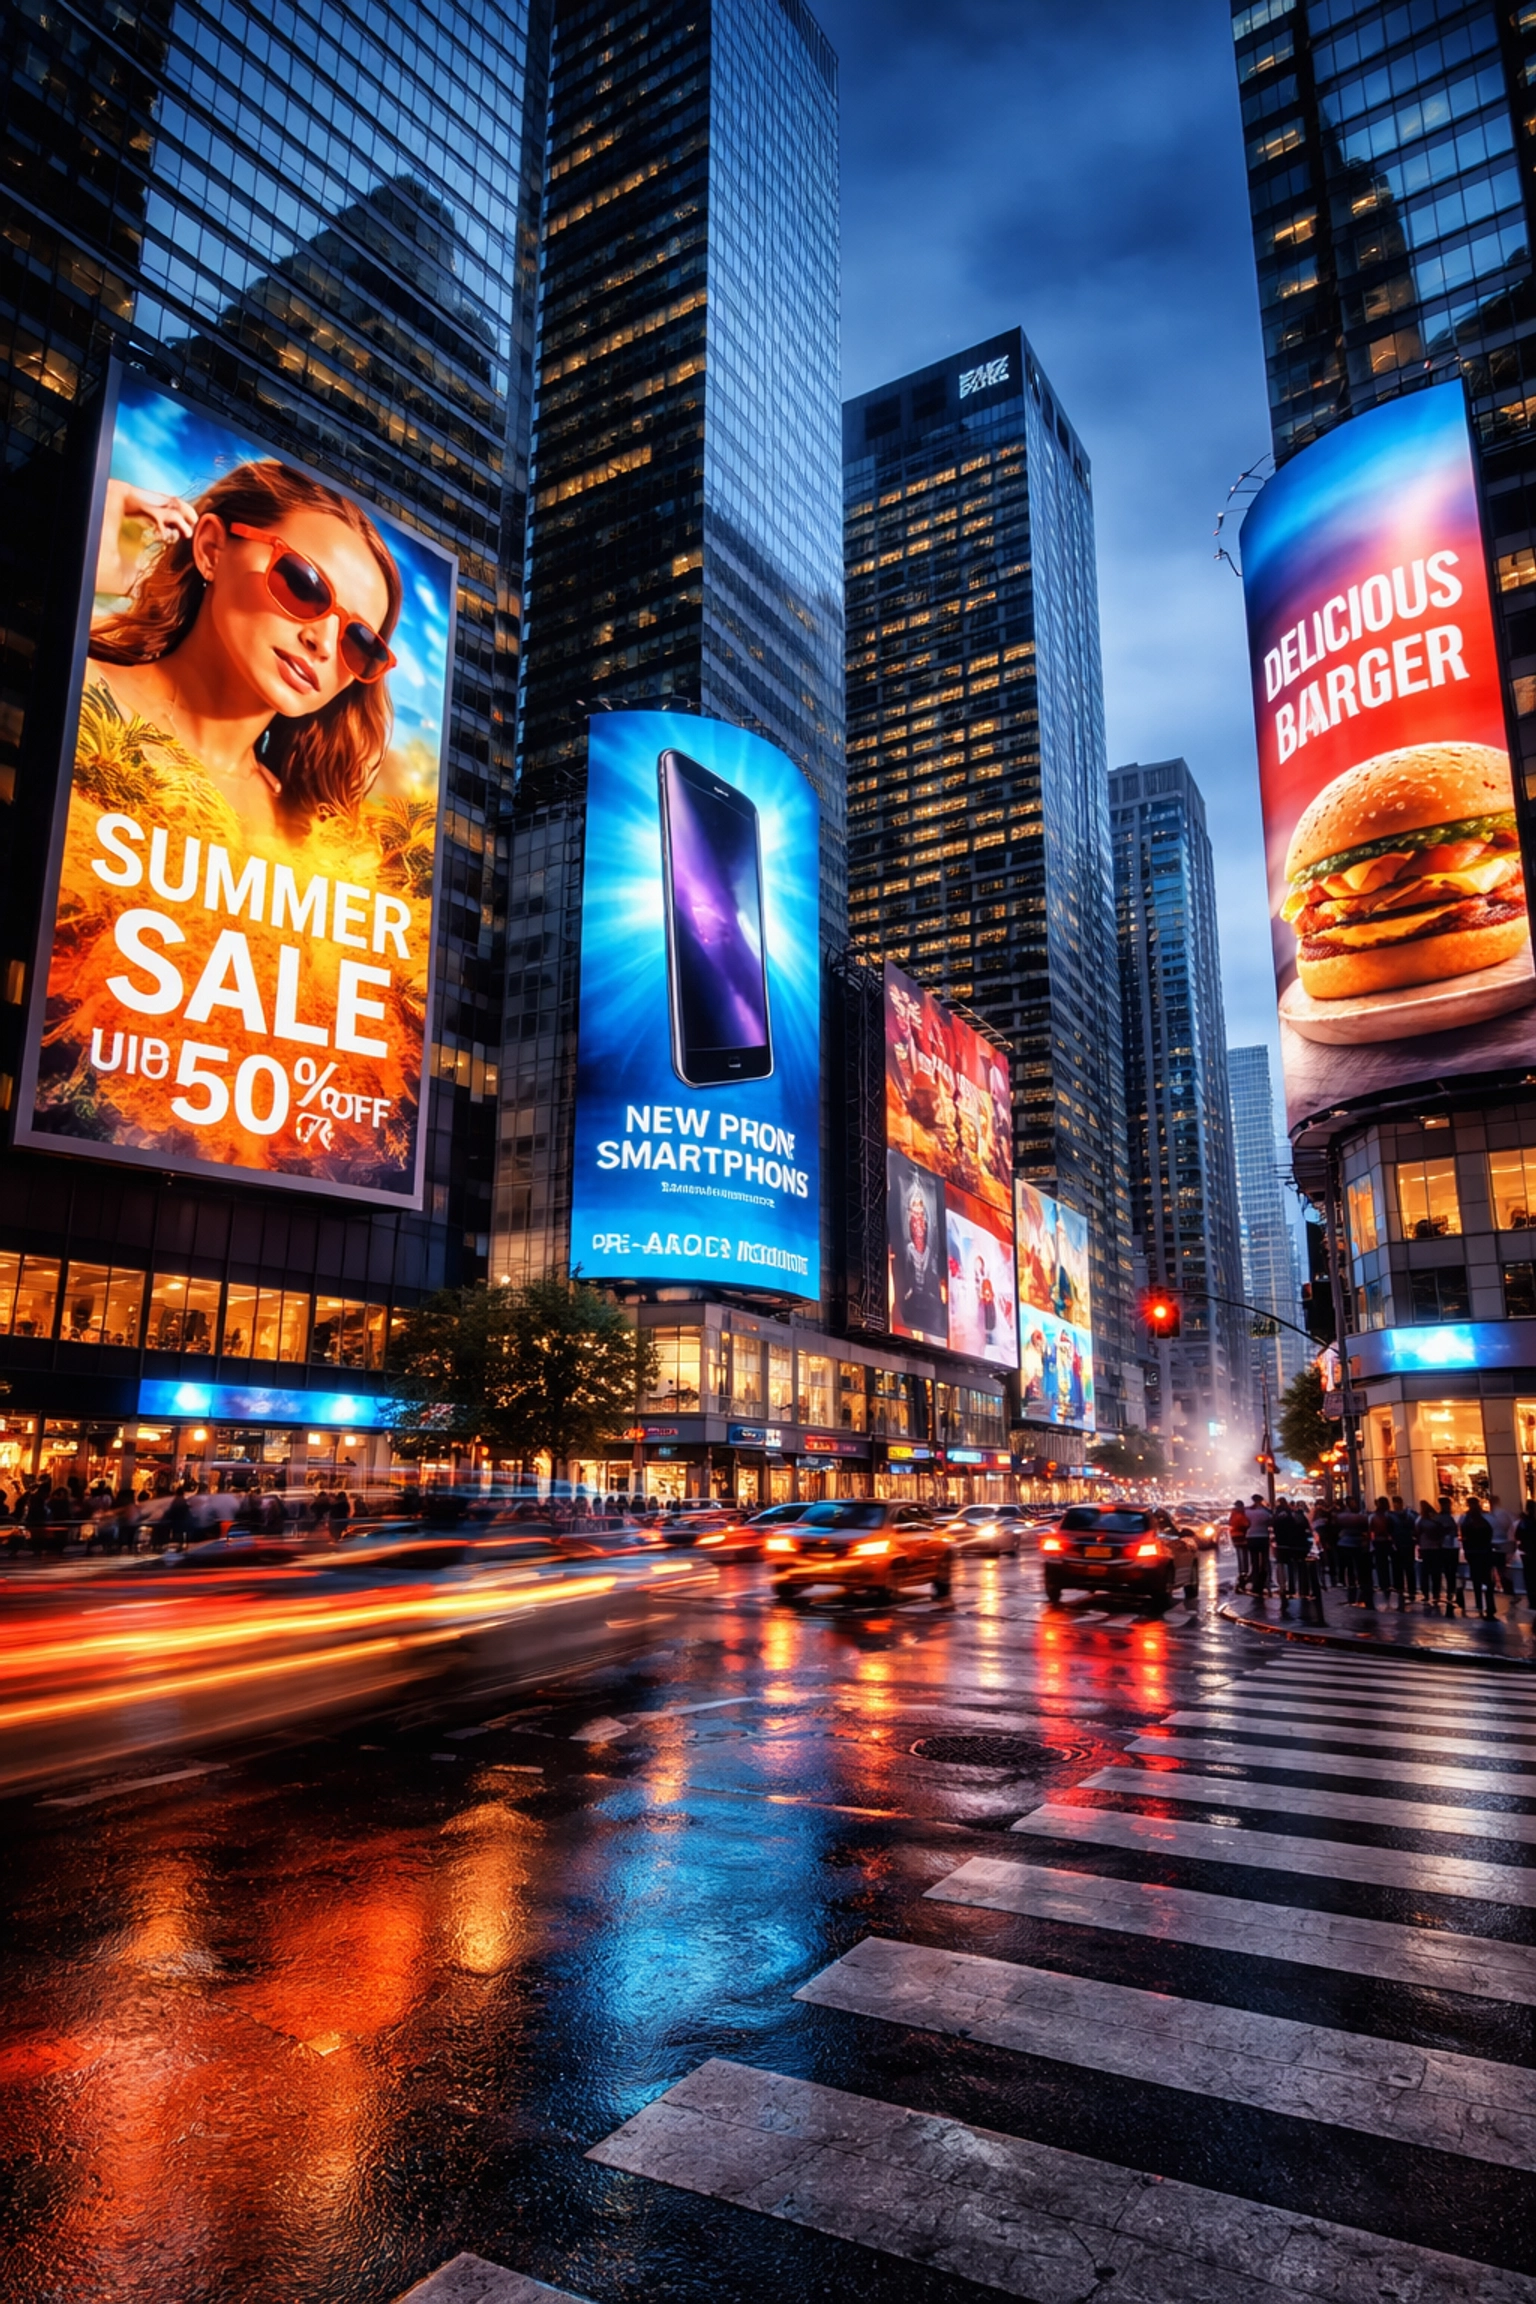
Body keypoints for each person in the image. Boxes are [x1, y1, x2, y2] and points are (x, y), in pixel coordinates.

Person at [89, 465, 401, 842]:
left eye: (359, 642)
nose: (323, 643)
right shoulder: (82, 691)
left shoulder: (305, 831)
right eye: (303, 585)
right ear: (212, 550)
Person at [1459, 1497, 1498, 1619]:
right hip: (1484, 1551)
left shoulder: (1466, 1519)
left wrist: (1466, 1550)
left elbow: (1464, 1536)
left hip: (1474, 1552)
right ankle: (1489, 1605)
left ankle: (1480, 1603)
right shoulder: (1486, 1518)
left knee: (1477, 1578)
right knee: (1487, 1579)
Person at [1272, 1496, 1310, 1615]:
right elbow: (1305, 1527)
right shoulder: (1295, 1515)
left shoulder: (1279, 1515)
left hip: (1283, 1543)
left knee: (1284, 1565)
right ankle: (1301, 1589)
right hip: (1297, 1543)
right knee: (1298, 1566)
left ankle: (1286, 1588)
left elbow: (1275, 1527)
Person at [1335, 1494, 1372, 1606]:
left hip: (1347, 1543)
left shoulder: (1342, 1516)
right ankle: (1357, 1586)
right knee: (1355, 1566)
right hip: (1354, 1544)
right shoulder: (1359, 1517)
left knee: (1350, 1566)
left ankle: (1353, 1587)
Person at [1388, 1495, 1418, 1605]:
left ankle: (1400, 1587)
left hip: (1399, 1543)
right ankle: (1410, 1589)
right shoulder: (1411, 1514)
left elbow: (1389, 1529)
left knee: (1398, 1567)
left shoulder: (1391, 1516)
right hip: (1407, 1543)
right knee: (1408, 1567)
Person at [1368, 1497, 1397, 1605]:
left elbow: (1371, 1529)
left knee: (1380, 1563)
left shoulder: (1374, 1516)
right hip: (1387, 1540)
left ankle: (1383, 1583)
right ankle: (1390, 1583)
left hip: (1378, 1541)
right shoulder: (1389, 1515)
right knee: (1390, 1563)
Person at [1245, 1493, 1274, 1600]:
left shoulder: (1248, 1511)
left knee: (1254, 1561)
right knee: (1265, 1560)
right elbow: (1271, 1520)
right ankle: (1265, 1581)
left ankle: (1255, 1583)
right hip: (1263, 1537)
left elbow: (1245, 1523)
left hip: (1251, 1537)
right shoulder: (1265, 1512)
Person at [1487, 1494, 1517, 1597]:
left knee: (1495, 1567)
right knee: (1502, 1567)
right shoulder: (1505, 1513)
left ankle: (1500, 1586)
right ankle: (1506, 1588)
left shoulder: (1491, 1515)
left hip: (1493, 1543)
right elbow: (1512, 1526)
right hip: (1504, 1543)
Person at [1227, 1498, 1251, 1593]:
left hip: (1234, 1536)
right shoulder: (1241, 1514)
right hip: (1242, 1536)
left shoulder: (1233, 1514)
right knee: (1244, 1554)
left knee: (1240, 1554)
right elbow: (1246, 1524)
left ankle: (1242, 1571)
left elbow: (1231, 1523)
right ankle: (1244, 1572)